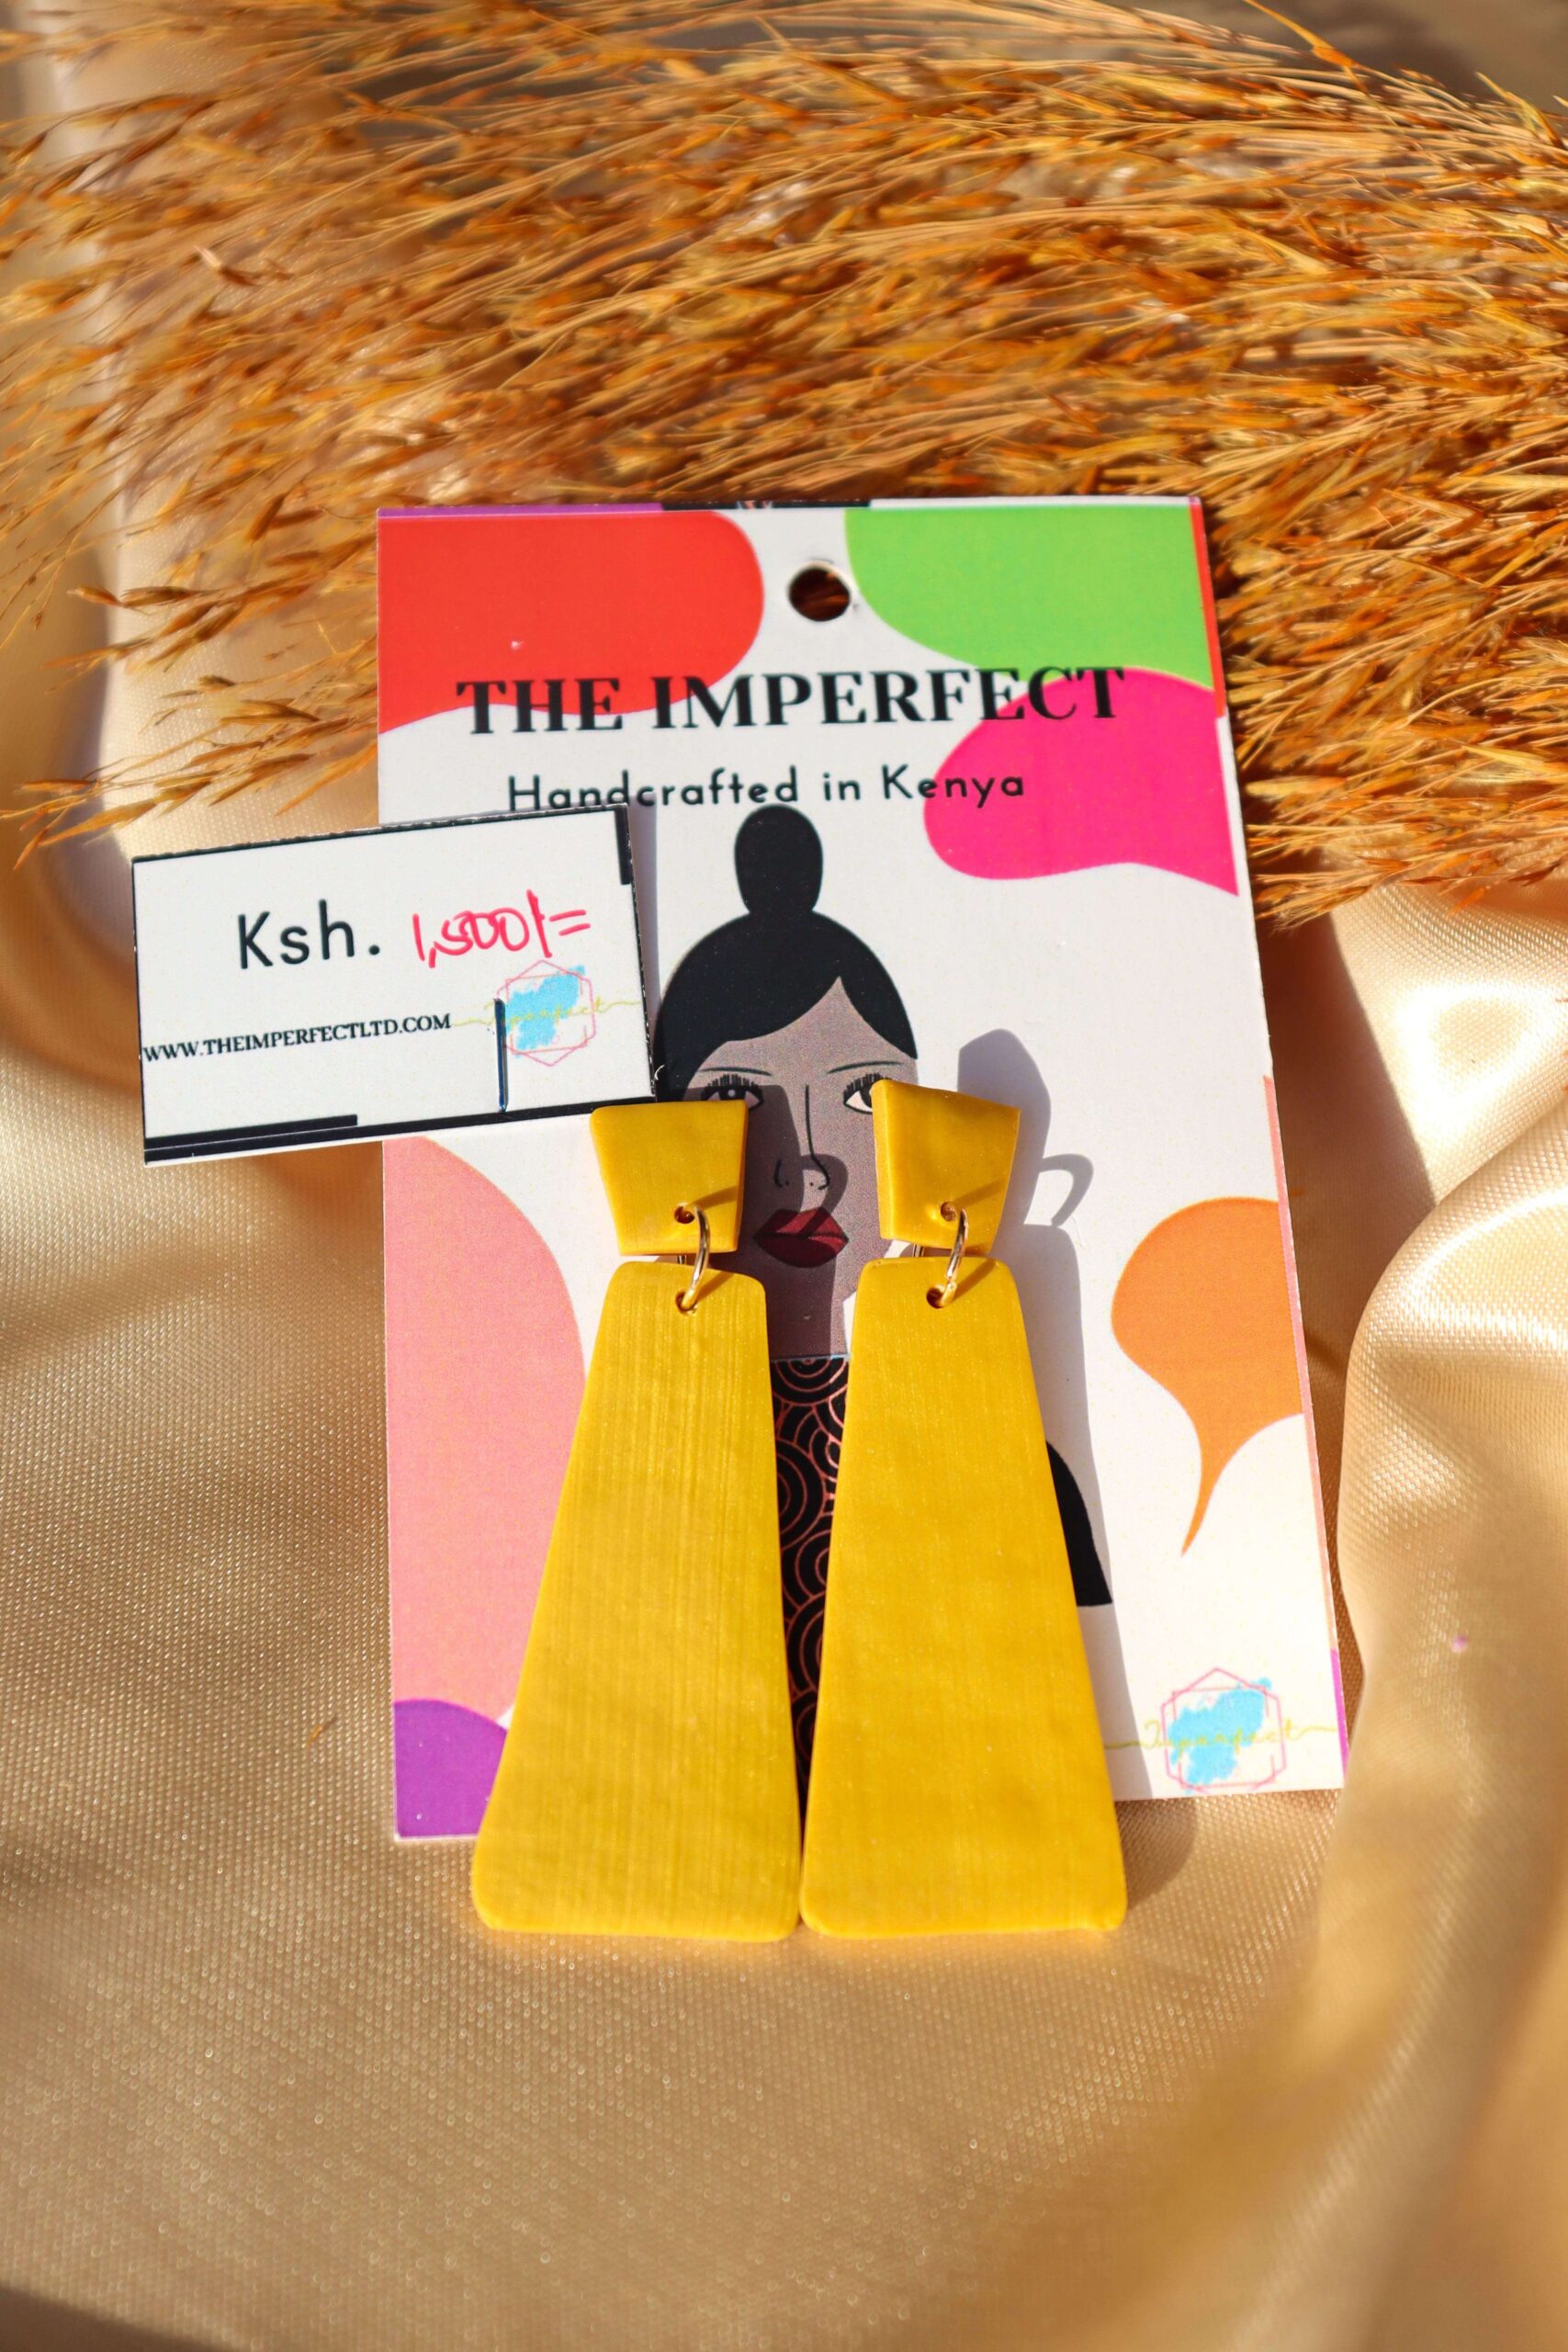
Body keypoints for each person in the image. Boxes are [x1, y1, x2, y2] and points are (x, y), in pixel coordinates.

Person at [653, 808, 1108, 1804]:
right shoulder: (650, 1435)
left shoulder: (1000, 1451)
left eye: (864, 1095)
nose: (810, 1164)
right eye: (734, 1095)